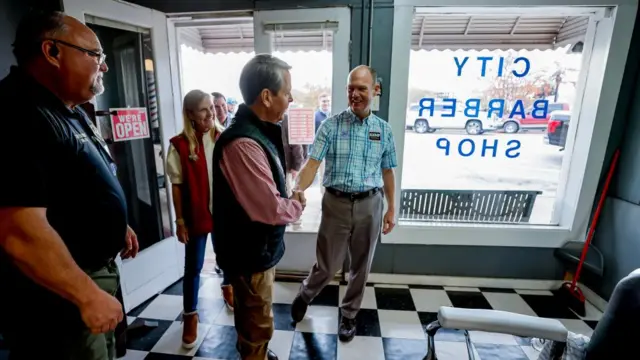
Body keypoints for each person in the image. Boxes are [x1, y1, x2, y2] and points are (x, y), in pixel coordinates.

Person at [0, 10, 139, 359]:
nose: (104, 66)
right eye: (96, 55)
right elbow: (19, 231)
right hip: (59, 295)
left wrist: (114, 223)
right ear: (52, 52)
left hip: (88, 273)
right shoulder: (17, 113)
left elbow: (73, 183)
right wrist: (87, 295)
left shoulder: (66, 108)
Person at [291, 65, 398, 342]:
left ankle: (349, 315)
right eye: (351, 88)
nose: (355, 94)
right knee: (328, 265)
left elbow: (388, 171)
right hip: (336, 203)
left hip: (370, 204)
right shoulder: (331, 125)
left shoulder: (384, 130)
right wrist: (297, 187)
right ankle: (306, 293)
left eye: (362, 88)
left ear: (375, 90)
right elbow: (312, 163)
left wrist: (392, 209)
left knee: (360, 266)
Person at [211, 54, 305, 360]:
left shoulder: (260, 132)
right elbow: (269, 209)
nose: (291, 98)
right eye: (287, 92)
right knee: (257, 324)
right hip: (248, 253)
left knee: (257, 316)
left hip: (258, 249)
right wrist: (295, 205)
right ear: (266, 96)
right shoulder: (243, 143)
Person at [166, 89, 231, 348]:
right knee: (193, 266)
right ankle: (191, 315)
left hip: (223, 212)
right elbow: (177, 185)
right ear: (190, 114)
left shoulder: (222, 137)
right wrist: (180, 221)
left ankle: (228, 287)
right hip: (196, 215)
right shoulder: (179, 145)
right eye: (204, 109)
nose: (210, 113)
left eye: (211, 108)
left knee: (226, 256)